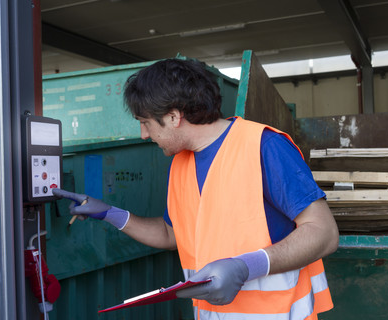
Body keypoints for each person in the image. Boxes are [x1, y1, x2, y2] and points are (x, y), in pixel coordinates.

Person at [52, 58, 339, 319]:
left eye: (146, 123)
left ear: (175, 117)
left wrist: (244, 267)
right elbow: (171, 234)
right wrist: (111, 214)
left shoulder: (264, 146)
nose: (144, 134)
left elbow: (324, 233)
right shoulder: (181, 162)